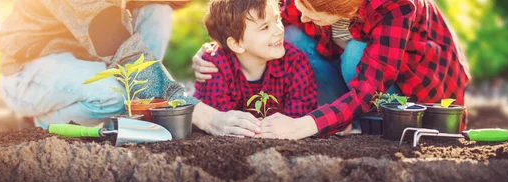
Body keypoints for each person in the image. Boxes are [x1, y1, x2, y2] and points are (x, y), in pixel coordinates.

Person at [192, 0, 471, 139]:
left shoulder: (396, 7)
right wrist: (219, 48)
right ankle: (339, 121)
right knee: (292, 37)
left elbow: (366, 90)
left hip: (416, 84)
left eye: (309, 9)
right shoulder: (308, 6)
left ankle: (371, 127)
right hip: (352, 71)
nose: (299, 13)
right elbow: (247, 19)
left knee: (354, 55)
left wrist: (300, 126)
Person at [0, 0, 262, 137]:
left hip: (92, 57)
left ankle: (145, 106)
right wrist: (204, 115)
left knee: (157, 8)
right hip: (30, 69)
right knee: (116, 93)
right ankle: (39, 121)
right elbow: (126, 49)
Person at [193, 0, 317, 119]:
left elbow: (299, 117)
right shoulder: (214, 66)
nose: (279, 30)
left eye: (277, 19)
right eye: (265, 27)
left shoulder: (295, 61)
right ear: (237, 44)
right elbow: (222, 122)